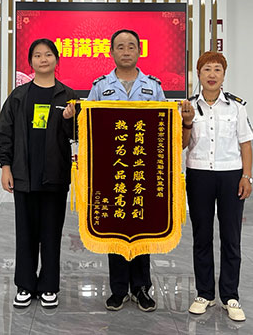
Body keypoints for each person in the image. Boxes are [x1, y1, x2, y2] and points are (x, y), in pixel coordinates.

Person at [87, 29, 165, 312]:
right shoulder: (100, 87)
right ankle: (119, 289)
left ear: (139, 51)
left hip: (144, 169)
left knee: (143, 228)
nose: (126, 51)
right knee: (116, 225)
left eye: (131, 46)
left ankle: (141, 288)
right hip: (112, 170)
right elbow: (88, 127)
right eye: (120, 47)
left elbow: (163, 128)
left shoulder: (153, 87)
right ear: (111, 52)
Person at [0, 38, 78, 310]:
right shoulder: (19, 96)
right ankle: (25, 285)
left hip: (55, 176)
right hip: (24, 175)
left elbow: (78, 135)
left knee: (51, 233)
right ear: (30, 61)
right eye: (37, 55)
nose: (43, 59)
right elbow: (5, 132)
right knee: (26, 233)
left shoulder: (67, 95)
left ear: (57, 59)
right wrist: (5, 167)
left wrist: (69, 120)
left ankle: (49, 286)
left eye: (48, 54)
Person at [180, 51, 253, 321]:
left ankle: (230, 296)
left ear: (224, 75)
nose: (212, 75)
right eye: (206, 69)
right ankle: (204, 293)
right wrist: (187, 121)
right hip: (199, 175)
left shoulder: (236, 107)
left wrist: (247, 176)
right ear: (198, 74)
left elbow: (245, 144)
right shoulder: (187, 106)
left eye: (217, 70)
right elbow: (181, 144)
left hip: (230, 175)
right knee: (202, 236)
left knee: (231, 237)